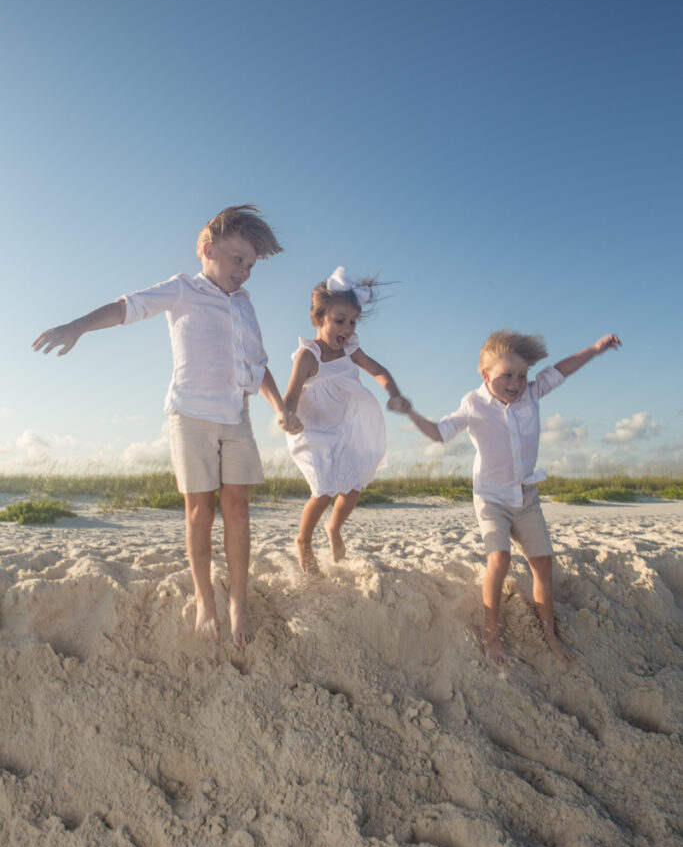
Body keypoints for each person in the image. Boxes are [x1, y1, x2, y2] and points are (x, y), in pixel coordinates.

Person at [32, 204, 302, 648]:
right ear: (206, 249)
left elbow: (259, 365)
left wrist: (279, 406)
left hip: (237, 418)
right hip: (191, 417)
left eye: (251, 266)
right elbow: (127, 307)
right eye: (238, 260)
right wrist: (77, 326)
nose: (245, 273)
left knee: (238, 511)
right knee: (201, 513)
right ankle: (203, 599)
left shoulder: (245, 305)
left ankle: (238, 601)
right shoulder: (182, 290)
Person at [406, 330, 621, 665]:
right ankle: (491, 634)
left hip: (526, 496)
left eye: (522, 375)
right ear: (486, 374)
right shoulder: (473, 403)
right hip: (491, 497)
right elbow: (440, 432)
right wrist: (411, 413)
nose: (516, 382)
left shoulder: (531, 395)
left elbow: (562, 369)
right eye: (506, 375)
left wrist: (595, 349)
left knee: (544, 564)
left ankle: (549, 632)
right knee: (500, 559)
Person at [283, 266, 410, 575]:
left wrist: (393, 393)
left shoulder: (351, 350)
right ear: (318, 318)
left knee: (353, 485)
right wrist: (288, 414)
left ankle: (334, 528)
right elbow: (291, 392)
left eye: (353, 322)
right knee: (324, 488)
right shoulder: (309, 354)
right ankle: (304, 540)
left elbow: (378, 370)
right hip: (311, 428)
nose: (347, 328)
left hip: (346, 426)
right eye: (339, 321)